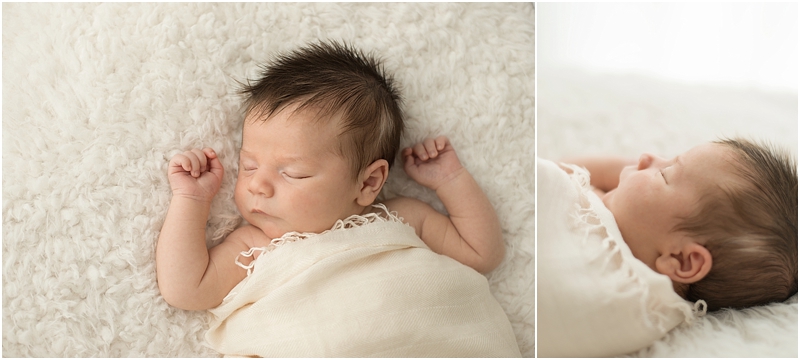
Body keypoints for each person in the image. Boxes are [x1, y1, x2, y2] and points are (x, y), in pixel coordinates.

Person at [154, 41, 517, 357]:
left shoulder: (401, 217)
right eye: (248, 166)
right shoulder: (256, 246)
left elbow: (482, 252)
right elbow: (186, 288)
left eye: (291, 173)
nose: (257, 186)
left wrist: (451, 181)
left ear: (369, 182)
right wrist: (191, 199)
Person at [561, 138, 797, 311]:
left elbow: (557, 170)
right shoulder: (619, 214)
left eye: (664, 174)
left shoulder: (609, 290)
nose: (646, 158)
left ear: (682, 260)